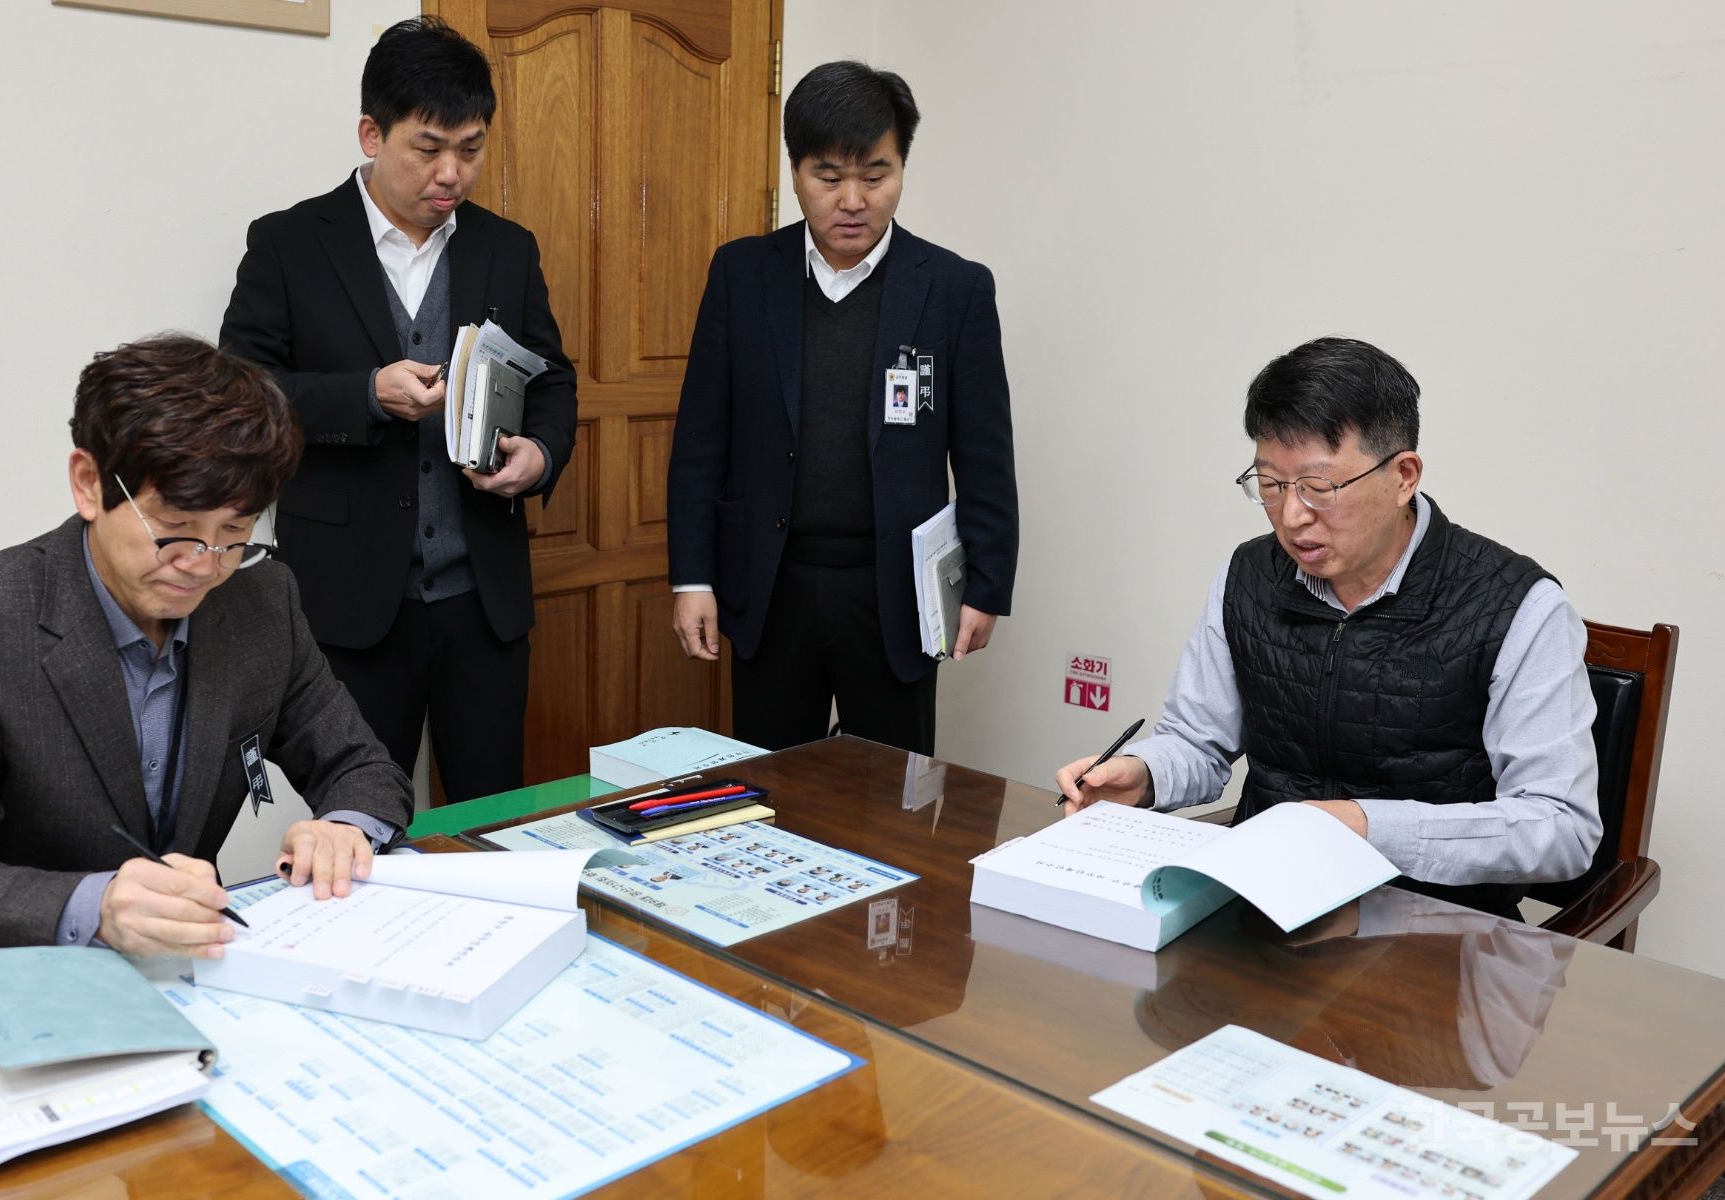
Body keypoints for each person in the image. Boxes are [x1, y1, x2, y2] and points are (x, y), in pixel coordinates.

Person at [1056, 337, 1601, 918]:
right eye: (1270, 485)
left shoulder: (1517, 606)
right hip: (1264, 905)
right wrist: (1142, 777)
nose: (1291, 516)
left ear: (1403, 477)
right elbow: (1198, 740)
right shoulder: (1249, 574)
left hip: (1434, 934)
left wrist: (1367, 827)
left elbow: (1561, 827)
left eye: (1319, 488)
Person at [0, 335, 415, 957]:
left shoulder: (260, 600)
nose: (204, 566)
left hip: (200, 971)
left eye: (234, 532)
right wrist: (95, 906)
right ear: (88, 483)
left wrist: (345, 828)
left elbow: (362, 766)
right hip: (29, 976)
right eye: (175, 530)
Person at [220, 17, 576, 801]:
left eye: (471, 148)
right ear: (372, 134)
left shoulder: (506, 248)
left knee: (492, 817)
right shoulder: (288, 244)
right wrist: (363, 395)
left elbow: (552, 381)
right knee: (358, 826)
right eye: (429, 147)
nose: (452, 173)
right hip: (348, 607)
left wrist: (540, 456)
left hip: (482, 603)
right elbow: (240, 394)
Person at [667, 61, 1019, 756]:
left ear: (902, 169)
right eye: (829, 178)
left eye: (876, 176)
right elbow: (702, 441)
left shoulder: (954, 289)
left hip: (896, 595)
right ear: (796, 170)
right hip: (772, 587)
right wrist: (693, 579)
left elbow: (984, 454)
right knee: (770, 790)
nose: (853, 199)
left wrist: (986, 586)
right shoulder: (741, 275)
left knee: (894, 800)